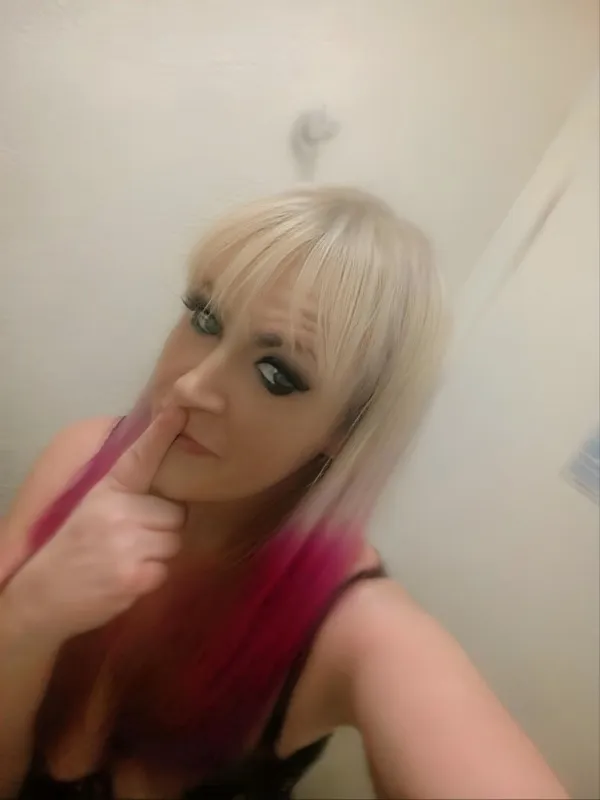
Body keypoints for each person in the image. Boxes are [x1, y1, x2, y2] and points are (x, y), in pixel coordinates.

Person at [0, 187, 567, 800]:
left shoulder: (354, 625)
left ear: (346, 429)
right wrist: (29, 616)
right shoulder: (80, 455)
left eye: (277, 374)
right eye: (205, 318)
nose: (191, 386)